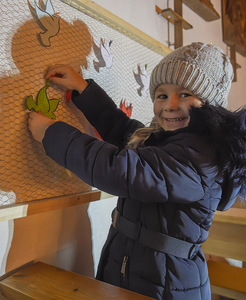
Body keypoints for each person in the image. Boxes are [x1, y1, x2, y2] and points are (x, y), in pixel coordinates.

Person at [28, 42, 246, 300]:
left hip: (165, 285)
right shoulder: (170, 142)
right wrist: (85, 91)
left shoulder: (201, 159)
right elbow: (126, 132)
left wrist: (52, 134)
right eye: (162, 95)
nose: (170, 105)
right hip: (134, 265)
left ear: (210, 106)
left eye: (185, 94)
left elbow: (121, 170)